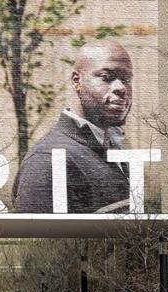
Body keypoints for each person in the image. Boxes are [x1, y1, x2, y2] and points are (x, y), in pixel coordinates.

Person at [13, 39, 134, 214]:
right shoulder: (49, 160)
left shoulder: (112, 146)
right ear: (77, 81)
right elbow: (36, 240)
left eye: (126, 79)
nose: (121, 87)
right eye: (107, 77)